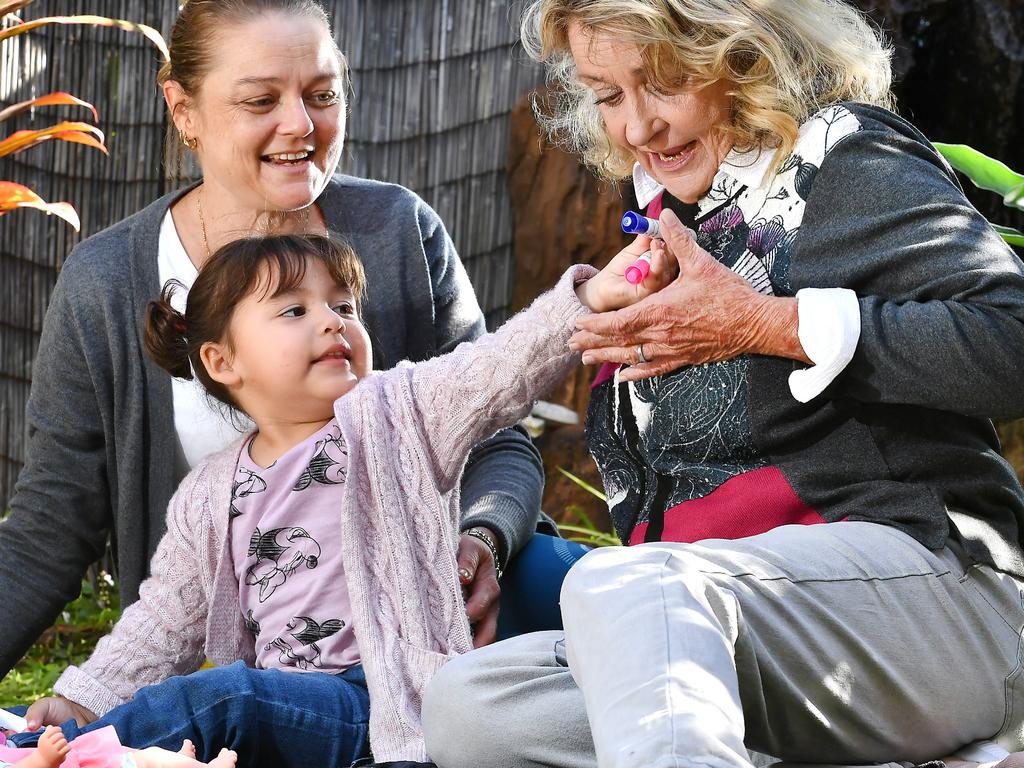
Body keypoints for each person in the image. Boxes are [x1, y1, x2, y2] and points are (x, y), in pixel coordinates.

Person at [421, 1, 1024, 767]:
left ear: (745, 55)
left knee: (623, 586)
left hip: (939, 603)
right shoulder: (676, 216)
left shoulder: (838, 157)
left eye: (664, 81)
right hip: (749, 641)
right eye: (608, 96)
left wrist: (767, 326)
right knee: (474, 710)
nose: (638, 128)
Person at [0, 0, 559, 678]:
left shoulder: (396, 233)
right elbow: (47, 533)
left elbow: (495, 443)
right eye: (261, 99)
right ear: (184, 110)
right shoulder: (107, 284)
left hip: (426, 656)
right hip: (230, 686)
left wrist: (482, 539)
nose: (301, 124)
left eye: (322, 94)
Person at [21, 228, 673, 768]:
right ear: (223, 361)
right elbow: (162, 623)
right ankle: (65, 743)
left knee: (224, 702)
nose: (333, 321)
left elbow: (498, 365)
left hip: (386, 705)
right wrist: (87, 695)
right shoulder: (209, 495)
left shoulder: (397, 416)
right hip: (290, 713)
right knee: (226, 709)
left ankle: (64, 758)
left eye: (345, 306)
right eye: (294, 310)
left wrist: (584, 298)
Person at [0, 727, 236, 768]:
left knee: (133, 753)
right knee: (148, 759)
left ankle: (182, 762)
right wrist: (43, 758)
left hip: (79, 757)